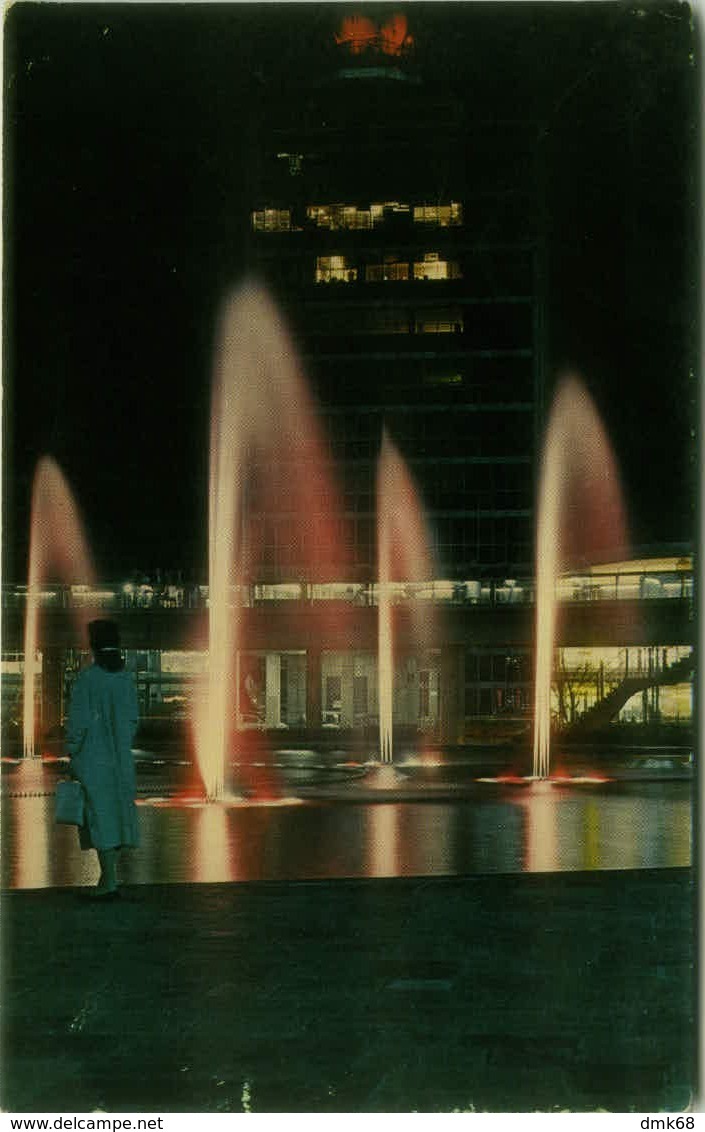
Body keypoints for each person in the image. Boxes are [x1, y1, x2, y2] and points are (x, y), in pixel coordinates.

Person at [66, 619, 139, 898]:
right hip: (120, 758)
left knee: (98, 816)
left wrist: (72, 751)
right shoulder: (125, 679)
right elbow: (133, 720)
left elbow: (78, 722)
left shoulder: (88, 680)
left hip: (93, 758)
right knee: (119, 814)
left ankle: (109, 881)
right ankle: (108, 877)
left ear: (93, 644)